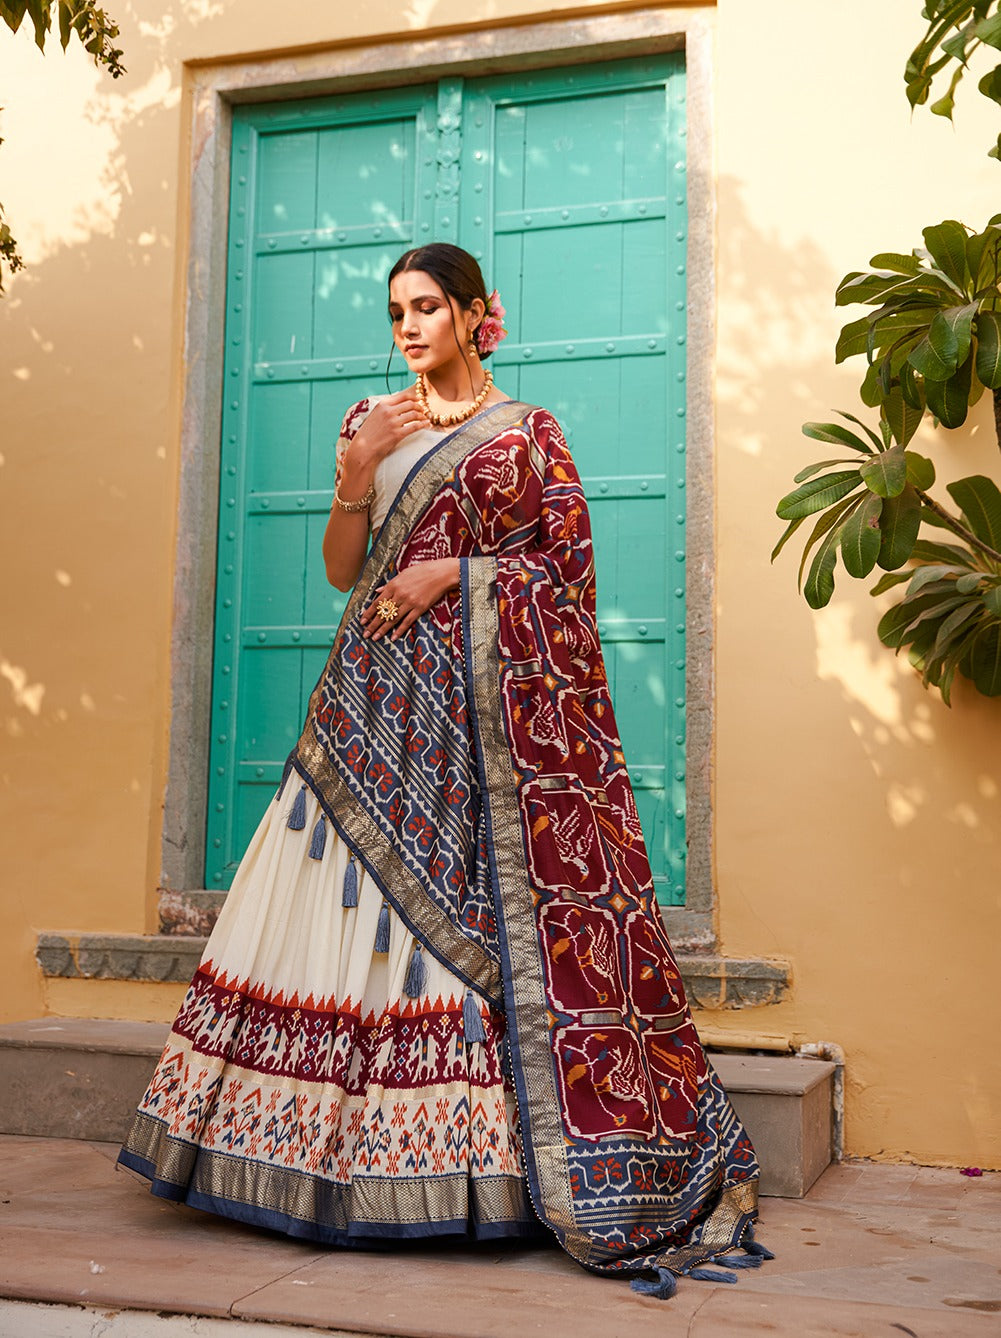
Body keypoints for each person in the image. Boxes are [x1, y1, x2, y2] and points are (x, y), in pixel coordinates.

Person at [119, 243, 770, 1298]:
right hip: (366, 710)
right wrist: (350, 473)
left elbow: (565, 577)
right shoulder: (374, 423)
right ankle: (302, 1162)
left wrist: (452, 571)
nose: (409, 327)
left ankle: (468, 1175)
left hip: (483, 727)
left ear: (477, 314)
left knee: (465, 926)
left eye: (428, 308)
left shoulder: (526, 437)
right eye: (396, 312)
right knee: (336, 921)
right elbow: (341, 570)